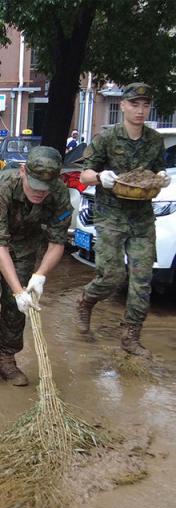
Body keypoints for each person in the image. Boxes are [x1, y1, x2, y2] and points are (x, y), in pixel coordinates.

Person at [76, 83, 169, 357]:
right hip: (111, 217)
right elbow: (84, 175)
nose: (140, 110)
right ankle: (85, 301)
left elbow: (157, 168)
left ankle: (130, 337)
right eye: (135, 104)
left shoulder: (153, 140)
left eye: (145, 105)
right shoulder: (106, 138)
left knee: (142, 279)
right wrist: (100, 177)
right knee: (112, 275)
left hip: (141, 219)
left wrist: (162, 176)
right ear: (124, 106)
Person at [0, 146, 72, 385]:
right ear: (23, 171)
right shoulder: (0, 190)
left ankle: (7, 358)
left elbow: (57, 242)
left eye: (44, 189)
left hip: (26, 242)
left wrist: (40, 276)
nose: (39, 193)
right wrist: (17, 290)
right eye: (34, 186)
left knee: (17, 305)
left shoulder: (58, 193)